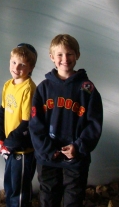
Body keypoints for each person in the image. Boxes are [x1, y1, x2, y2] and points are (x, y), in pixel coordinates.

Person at [29, 34, 103, 207]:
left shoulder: (87, 89)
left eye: (69, 54)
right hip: (48, 157)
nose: (65, 59)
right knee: (48, 196)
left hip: (76, 158)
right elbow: (35, 124)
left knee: (74, 197)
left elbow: (94, 124)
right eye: (60, 54)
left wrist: (78, 146)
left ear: (77, 55)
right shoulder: (43, 89)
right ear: (52, 57)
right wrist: (47, 150)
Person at [0, 43, 38, 207]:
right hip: (10, 148)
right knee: (10, 185)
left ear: (31, 67)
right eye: (14, 62)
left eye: (22, 65)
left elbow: (27, 124)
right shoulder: (8, 85)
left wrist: (9, 144)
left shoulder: (29, 89)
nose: (16, 67)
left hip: (23, 150)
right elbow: (2, 113)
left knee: (20, 190)